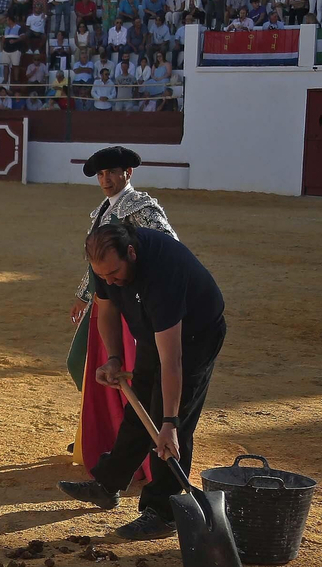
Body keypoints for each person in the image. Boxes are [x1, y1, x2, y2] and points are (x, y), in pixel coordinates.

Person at [59, 222, 226, 541]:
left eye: (115, 274)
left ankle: (163, 512)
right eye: (103, 276)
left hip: (195, 335)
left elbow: (173, 362)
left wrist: (170, 423)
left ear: (131, 254)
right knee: (139, 410)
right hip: (153, 331)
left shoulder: (163, 276)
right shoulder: (106, 265)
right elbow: (106, 310)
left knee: (168, 422)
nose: (109, 282)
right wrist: (115, 358)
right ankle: (107, 484)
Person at [67, 147, 177, 481]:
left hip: (133, 305)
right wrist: (84, 295)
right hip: (107, 299)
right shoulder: (102, 210)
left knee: (132, 375)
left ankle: (129, 442)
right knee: (80, 364)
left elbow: (168, 245)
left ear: (128, 173)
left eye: (112, 172)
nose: (106, 180)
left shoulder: (141, 207)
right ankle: (110, 434)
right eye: (101, 175)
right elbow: (97, 261)